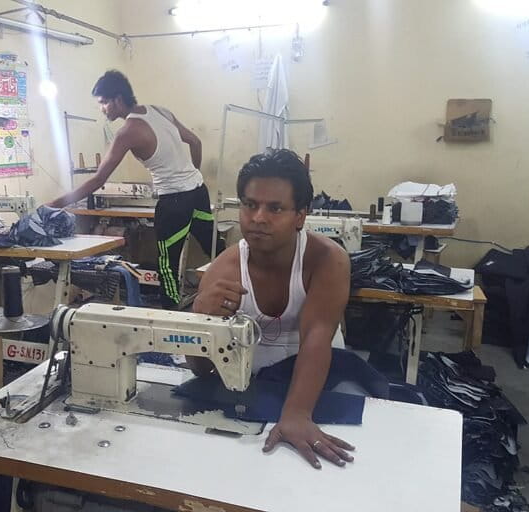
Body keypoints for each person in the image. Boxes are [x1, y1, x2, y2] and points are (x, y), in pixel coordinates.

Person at [192, 149, 355, 469]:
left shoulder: (327, 260)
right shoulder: (223, 271)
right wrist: (199, 317)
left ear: (301, 215)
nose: (258, 218)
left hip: (314, 378)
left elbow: (317, 338)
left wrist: (296, 413)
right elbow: (201, 370)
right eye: (250, 205)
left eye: (275, 208)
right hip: (251, 381)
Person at [46, 70, 223, 309]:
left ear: (117, 100)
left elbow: (98, 181)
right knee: (215, 248)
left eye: (103, 103)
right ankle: (244, 294)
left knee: (167, 266)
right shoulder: (161, 111)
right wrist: (192, 175)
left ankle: (171, 318)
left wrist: (52, 205)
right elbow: (196, 142)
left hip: (174, 203)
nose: (102, 109)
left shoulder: (127, 132)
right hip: (198, 192)